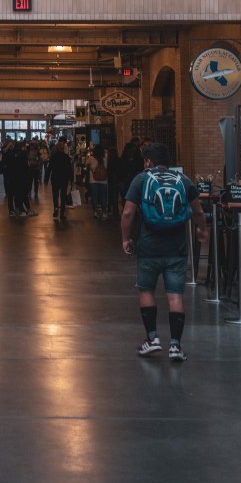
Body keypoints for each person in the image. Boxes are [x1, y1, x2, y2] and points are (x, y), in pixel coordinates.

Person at [120, 142, 208, 363]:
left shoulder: (141, 179)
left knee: (146, 290)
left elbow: (128, 213)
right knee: (175, 295)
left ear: (148, 161)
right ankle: (176, 346)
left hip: (148, 248)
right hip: (176, 249)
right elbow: (198, 210)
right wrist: (202, 230)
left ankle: (152, 339)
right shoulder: (184, 180)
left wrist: (125, 238)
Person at [48, 137, 73, 222]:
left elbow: (49, 168)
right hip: (64, 178)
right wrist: (71, 179)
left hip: (55, 178)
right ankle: (62, 213)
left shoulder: (53, 157)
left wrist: (45, 179)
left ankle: (55, 208)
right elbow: (69, 169)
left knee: (55, 194)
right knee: (63, 196)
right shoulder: (66, 158)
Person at [88, 145, 109, 219]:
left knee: (94, 197)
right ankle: (104, 213)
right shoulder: (105, 159)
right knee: (103, 197)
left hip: (93, 181)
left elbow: (85, 164)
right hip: (103, 181)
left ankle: (95, 212)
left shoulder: (91, 158)